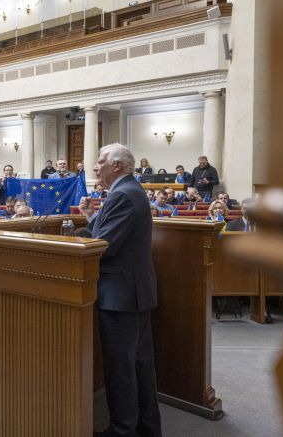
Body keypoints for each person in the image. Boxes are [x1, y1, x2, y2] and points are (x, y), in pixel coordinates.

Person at [77, 143, 162, 437]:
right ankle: (146, 427)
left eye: (100, 161)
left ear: (117, 166)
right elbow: (110, 233)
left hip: (121, 294)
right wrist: (91, 218)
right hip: (132, 291)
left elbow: (105, 245)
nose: (95, 166)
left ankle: (122, 430)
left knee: (122, 368)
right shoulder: (128, 191)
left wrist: (82, 239)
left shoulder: (123, 195)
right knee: (138, 365)